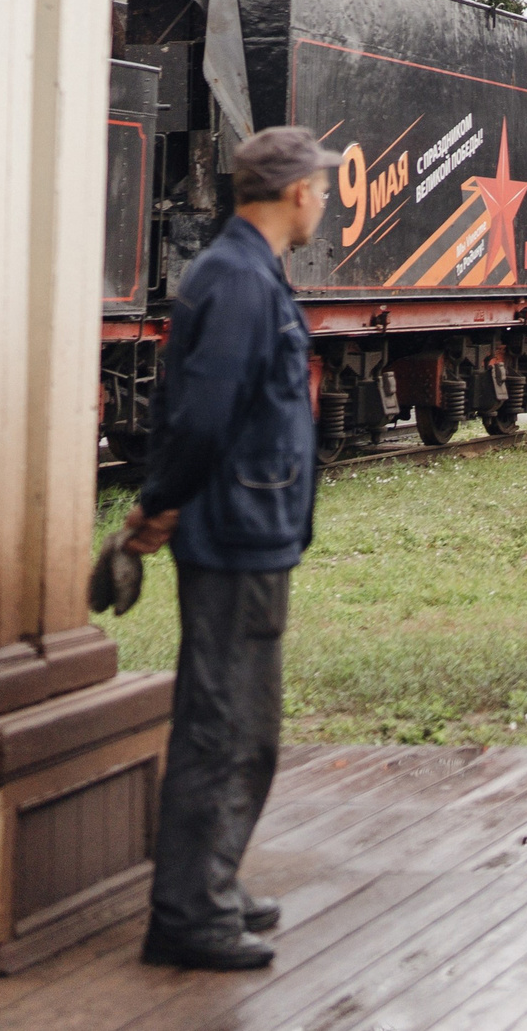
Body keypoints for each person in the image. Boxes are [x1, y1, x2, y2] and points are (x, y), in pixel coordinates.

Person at [122, 125, 337, 970]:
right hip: (233, 529)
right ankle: (188, 912)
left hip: (256, 527)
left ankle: (214, 878)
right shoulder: (240, 280)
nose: (326, 200)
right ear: (295, 192)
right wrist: (160, 505)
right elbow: (203, 415)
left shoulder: (250, 272)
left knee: (249, 727)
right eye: (322, 186)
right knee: (221, 724)